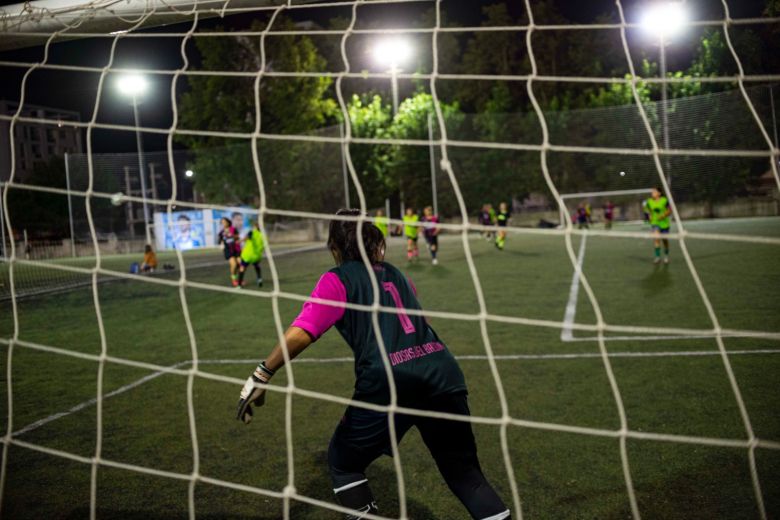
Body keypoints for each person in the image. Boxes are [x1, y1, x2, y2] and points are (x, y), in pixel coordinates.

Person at [236, 209, 511, 520]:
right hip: (442, 371)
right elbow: (420, 324)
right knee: (465, 475)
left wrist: (262, 374)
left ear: (335, 246)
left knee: (343, 462)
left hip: (390, 379)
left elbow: (304, 330)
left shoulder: (337, 279)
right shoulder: (397, 274)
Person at [643, 187, 672, 264]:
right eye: (652, 192)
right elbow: (646, 209)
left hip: (664, 223)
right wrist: (649, 215)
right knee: (656, 239)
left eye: (654, 192)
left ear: (659, 193)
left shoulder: (664, 200)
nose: (652, 193)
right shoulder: (649, 201)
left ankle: (666, 256)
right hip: (655, 223)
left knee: (665, 240)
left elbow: (670, 210)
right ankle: (657, 257)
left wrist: (663, 215)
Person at [237, 220, 265, 288]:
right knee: (256, 266)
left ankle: (239, 285)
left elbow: (247, 237)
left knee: (242, 268)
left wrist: (240, 241)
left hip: (248, 255)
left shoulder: (252, 232)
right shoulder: (263, 235)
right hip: (256, 255)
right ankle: (259, 279)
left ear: (255, 227)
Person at [218, 217, 241, 286]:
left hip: (236, 249)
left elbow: (237, 237)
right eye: (222, 222)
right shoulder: (221, 233)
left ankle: (239, 279)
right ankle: (234, 280)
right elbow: (220, 241)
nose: (224, 223)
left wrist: (231, 235)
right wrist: (221, 244)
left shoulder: (233, 229)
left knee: (240, 264)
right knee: (234, 264)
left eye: (225, 222)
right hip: (228, 250)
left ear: (228, 222)